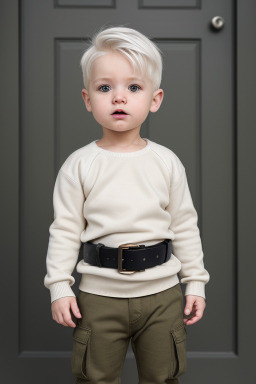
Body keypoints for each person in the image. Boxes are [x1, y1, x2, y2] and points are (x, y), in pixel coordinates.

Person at [44, 25, 210, 384]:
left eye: (133, 87)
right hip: (98, 298)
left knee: (163, 376)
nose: (119, 98)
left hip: (162, 295)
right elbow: (65, 228)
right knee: (95, 377)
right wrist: (59, 285)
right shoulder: (79, 164)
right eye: (106, 88)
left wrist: (194, 281)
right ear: (88, 100)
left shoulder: (167, 162)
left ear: (155, 99)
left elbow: (184, 224)